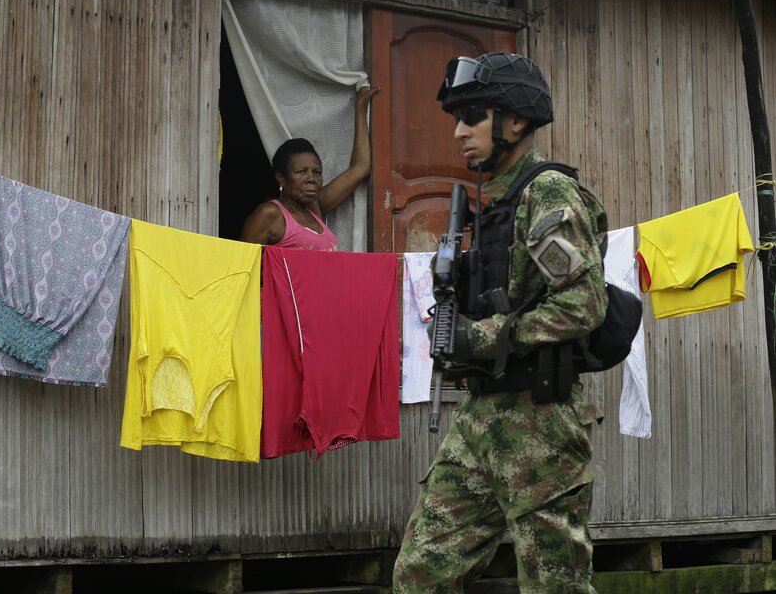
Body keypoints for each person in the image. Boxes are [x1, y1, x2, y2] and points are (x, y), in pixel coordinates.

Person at [393, 53, 608, 593]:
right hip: (481, 416)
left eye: (472, 116)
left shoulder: (547, 193)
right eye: (457, 120)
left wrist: (480, 335)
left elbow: (584, 302)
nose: (460, 132)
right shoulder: (494, 203)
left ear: (514, 121)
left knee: (553, 584)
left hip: (541, 420)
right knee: (421, 573)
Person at [240, 86, 380, 250]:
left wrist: (360, 108)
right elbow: (243, 265)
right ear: (281, 177)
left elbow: (360, 168)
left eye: (317, 172)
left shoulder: (314, 208)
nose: (311, 179)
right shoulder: (270, 214)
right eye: (301, 172)